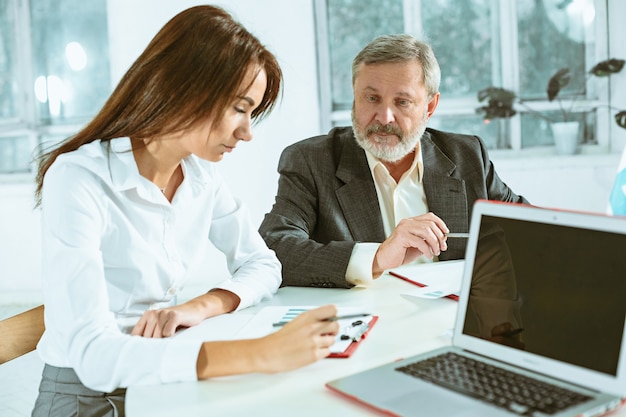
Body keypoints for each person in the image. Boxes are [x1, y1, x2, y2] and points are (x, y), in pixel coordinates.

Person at [31, 6, 338, 416]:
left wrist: (197, 307)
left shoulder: (199, 177)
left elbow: (263, 263)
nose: (247, 132)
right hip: (84, 396)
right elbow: (93, 354)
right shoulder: (79, 179)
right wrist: (259, 353)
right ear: (188, 88)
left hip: (161, 378)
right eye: (240, 108)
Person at [259, 34, 529, 289]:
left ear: (430, 107)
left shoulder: (467, 155)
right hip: (362, 325)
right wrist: (376, 257)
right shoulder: (311, 160)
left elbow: (528, 232)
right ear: (355, 98)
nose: (384, 117)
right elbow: (274, 248)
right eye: (372, 98)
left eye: (402, 102)